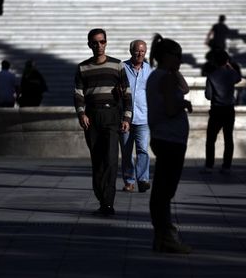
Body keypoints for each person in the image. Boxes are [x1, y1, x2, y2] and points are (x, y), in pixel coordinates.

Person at [73, 28, 132, 216]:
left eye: (102, 42)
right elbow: (78, 94)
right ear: (89, 44)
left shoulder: (118, 65)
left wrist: (127, 117)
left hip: (112, 115)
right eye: (95, 42)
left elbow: (127, 94)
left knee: (111, 159)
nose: (99, 45)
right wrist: (82, 114)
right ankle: (102, 198)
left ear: (106, 42)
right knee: (97, 160)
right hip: (92, 117)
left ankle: (108, 202)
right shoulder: (82, 68)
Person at [146, 33, 193, 254]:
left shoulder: (162, 75)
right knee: (164, 191)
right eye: (178, 56)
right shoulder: (164, 77)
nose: (180, 60)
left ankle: (161, 237)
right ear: (167, 56)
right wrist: (182, 105)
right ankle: (166, 237)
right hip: (170, 138)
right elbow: (170, 109)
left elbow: (184, 88)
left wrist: (175, 74)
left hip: (165, 137)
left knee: (163, 190)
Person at [120, 40, 152, 193]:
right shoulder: (122, 68)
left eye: (143, 51)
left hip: (143, 117)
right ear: (131, 51)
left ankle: (143, 179)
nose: (140, 54)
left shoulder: (149, 70)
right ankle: (129, 181)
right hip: (125, 117)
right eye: (137, 51)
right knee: (126, 152)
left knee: (143, 150)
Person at [203, 50, 241, 174]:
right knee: (228, 138)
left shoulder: (211, 76)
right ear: (226, 61)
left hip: (216, 110)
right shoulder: (231, 74)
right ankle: (226, 166)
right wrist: (230, 67)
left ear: (215, 62)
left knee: (211, 139)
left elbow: (208, 96)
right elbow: (239, 78)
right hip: (229, 109)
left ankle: (209, 165)